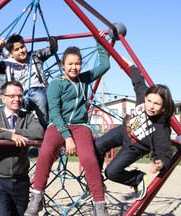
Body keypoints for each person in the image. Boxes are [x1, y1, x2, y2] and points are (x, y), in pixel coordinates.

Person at [24, 30, 110, 216]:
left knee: (89, 158)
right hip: (58, 125)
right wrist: (67, 138)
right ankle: (37, 197)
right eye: (70, 64)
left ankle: (99, 204)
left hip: (80, 126)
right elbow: (54, 111)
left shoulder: (84, 79)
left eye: (77, 63)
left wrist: (99, 40)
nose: (74, 67)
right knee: (46, 152)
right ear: (63, 65)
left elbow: (105, 65)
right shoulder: (56, 84)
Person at [94, 57, 175, 201]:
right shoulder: (143, 99)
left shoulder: (161, 128)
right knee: (97, 146)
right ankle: (97, 181)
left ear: (163, 107)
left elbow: (164, 150)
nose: (150, 106)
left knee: (111, 172)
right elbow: (138, 82)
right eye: (149, 101)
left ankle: (136, 178)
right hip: (123, 131)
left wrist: (161, 162)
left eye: (156, 104)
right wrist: (131, 65)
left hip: (135, 147)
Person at [0, 80, 44, 216]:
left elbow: (39, 132)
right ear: (3, 98)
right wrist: (8, 135)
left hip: (21, 180)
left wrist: (13, 131)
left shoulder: (27, 116)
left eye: (19, 96)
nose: (16, 99)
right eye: (11, 96)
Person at [0, 33, 58, 128]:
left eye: (22, 47)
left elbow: (52, 50)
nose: (21, 51)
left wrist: (53, 41)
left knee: (49, 97)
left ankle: (52, 125)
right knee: (36, 102)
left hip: (40, 88)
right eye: (16, 49)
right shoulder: (7, 63)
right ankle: (39, 128)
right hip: (21, 94)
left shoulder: (35, 56)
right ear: (11, 54)